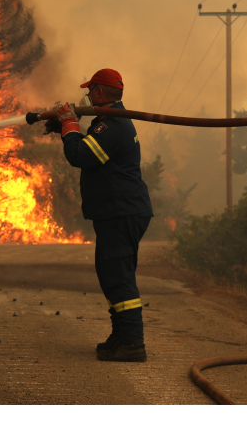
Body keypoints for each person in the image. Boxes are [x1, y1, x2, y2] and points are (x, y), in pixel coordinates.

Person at [46, 68, 154, 362]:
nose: (87, 96)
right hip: (117, 211)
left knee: (118, 277)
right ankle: (121, 336)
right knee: (110, 275)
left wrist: (69, 125)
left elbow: (80, 156)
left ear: (100, 93)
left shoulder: (112, 126)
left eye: (90, 90)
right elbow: (86, 147)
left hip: (121, 211)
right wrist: (64, 129)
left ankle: (133, 343)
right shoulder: (108, 123)